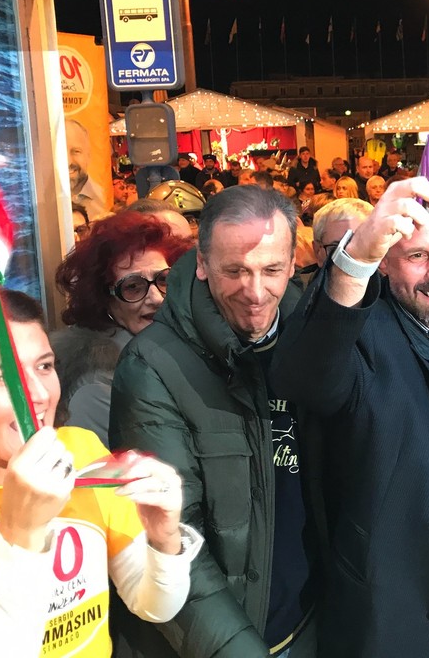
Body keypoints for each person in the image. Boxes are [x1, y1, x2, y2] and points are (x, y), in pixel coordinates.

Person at [272, 177, 429, 658]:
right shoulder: (358, 330)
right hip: (393, 612)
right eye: (417, 256)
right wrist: (354, 260)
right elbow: (302, 381)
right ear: (385, 261)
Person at [0, 290, 202, 657]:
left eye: (45, 367)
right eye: (5, 377)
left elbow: (155, 605)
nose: (39, 394)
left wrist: (164, 538)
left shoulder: (80, 451)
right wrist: (22, 531)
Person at [109, 185, 320, 657]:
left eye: (271, 270)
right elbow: (173, 536)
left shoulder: (313, 339)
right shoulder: (153, 365)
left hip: (312, 626)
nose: (255, 292)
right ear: (202, 264)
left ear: (293, 264)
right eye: (235, 271)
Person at [52, 212, 191, 446]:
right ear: (103, 299)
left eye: (164, 280)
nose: (157, 298)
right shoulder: (98, 385)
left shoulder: (177, 351)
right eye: (133, 286)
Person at [66, 119, 109, 221]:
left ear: (88, 155)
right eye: (60, 152)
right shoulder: (37, 200)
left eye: (76, 151)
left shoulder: (104, 200)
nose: (68, 161)